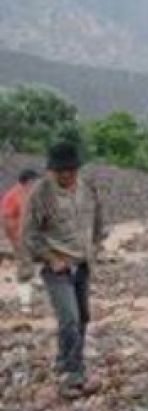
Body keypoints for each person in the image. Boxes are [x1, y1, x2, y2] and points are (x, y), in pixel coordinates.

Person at [21, 142, 106, 391]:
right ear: (52, 170)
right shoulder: (41, 194)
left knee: (83, 317)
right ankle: (73, 370)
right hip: (57, 268)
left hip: (83, 264)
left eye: (70, 170)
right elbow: (30, 234)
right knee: (69, 318)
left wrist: (95, 247)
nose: (65, 175)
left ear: (76, 169)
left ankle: (63, 359)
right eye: (60, 171)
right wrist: (50, 258)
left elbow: (98, 220)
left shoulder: (88, 189)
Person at [2, 168, 39, 312]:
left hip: (34, 238)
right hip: (21, 238)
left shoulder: (31, 195)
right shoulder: (12, 196)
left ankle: (33, 295)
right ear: (28, 181)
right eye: (34, 182)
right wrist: (15, 241)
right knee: (25, 269)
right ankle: (25, 304)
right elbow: (7, 220)